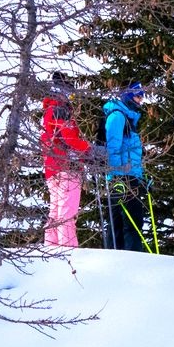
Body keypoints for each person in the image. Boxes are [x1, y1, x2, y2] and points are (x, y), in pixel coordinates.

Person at [40, 74, 92, 248]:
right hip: (66, 166)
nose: (72, 98)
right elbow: (69, 138)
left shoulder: (49, 111)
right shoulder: (60, 110)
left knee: (55, 211)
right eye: (70, 93)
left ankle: (51, 249)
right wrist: (89, 150)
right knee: (66, 214)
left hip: (52, 167)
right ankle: (68, 252)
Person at [103, 82, 150, 252]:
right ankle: (126, 258)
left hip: (131, 176)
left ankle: (128, 257)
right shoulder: (118, 117)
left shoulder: (129, 119)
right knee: (126, 221)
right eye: (138, 96)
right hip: (122, 176)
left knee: (131, 221)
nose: (141, 100)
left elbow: (133, 155)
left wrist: (142, 178)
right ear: (129, 96)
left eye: (142, 97)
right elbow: (112, 148)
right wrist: (116, 175)